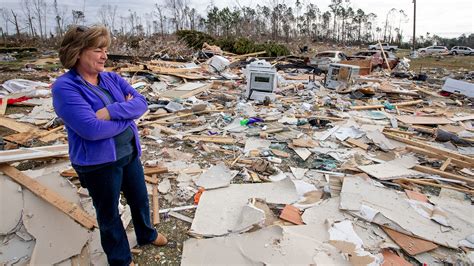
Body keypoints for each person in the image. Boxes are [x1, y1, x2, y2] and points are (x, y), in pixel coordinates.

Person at [52, 25, 167, 266]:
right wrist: (126, 118)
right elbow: (91, 130)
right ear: (78, 52)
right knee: (109, 214)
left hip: (129, 152)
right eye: (98, 50)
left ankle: (146, 234)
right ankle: (120, 260)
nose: (105, 55)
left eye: (106, 49)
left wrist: (110, 112)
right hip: (99, 163)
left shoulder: (111, 78)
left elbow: (141, 103)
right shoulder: (66, 87)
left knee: (139, 198)